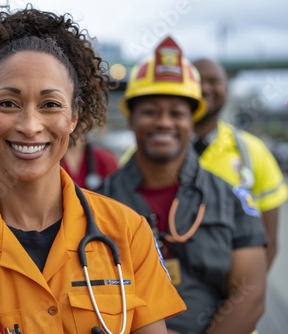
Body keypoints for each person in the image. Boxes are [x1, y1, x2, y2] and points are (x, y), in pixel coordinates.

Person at [0, 7, 186, 334]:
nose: (29, 126)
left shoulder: (128, 234)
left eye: (50, 104)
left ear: (74, 117)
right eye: (8, 103)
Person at [100, 36, 267, 334]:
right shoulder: (97, 203)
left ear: (192, 121)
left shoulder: (231, 200)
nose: (164, 122)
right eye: (150, 111)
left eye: (177, 113)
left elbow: (250, 295)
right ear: (131, 120)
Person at [192, 58, 288, 269]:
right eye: (197, 79)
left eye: (214, 81)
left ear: (227, 88)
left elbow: (269, 243)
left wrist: (245, 298)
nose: (205, 87)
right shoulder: (149, 153)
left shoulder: (253, 151)